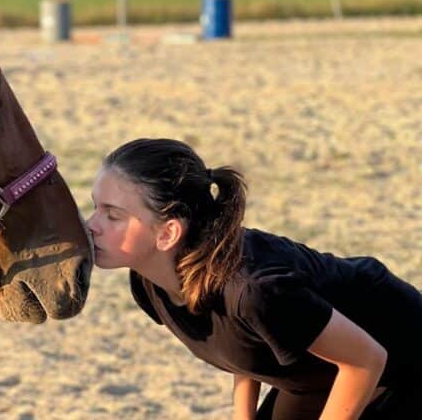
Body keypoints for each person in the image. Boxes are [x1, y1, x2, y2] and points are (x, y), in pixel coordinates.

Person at [86, 138, 422, 419]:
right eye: (96, 207)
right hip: (319, 373)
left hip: (399, 353)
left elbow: (367, 359)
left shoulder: (255, 290)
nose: (91, 225)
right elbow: (242, 343)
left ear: (168, 232)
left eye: (112, 215)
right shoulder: (150, 281)